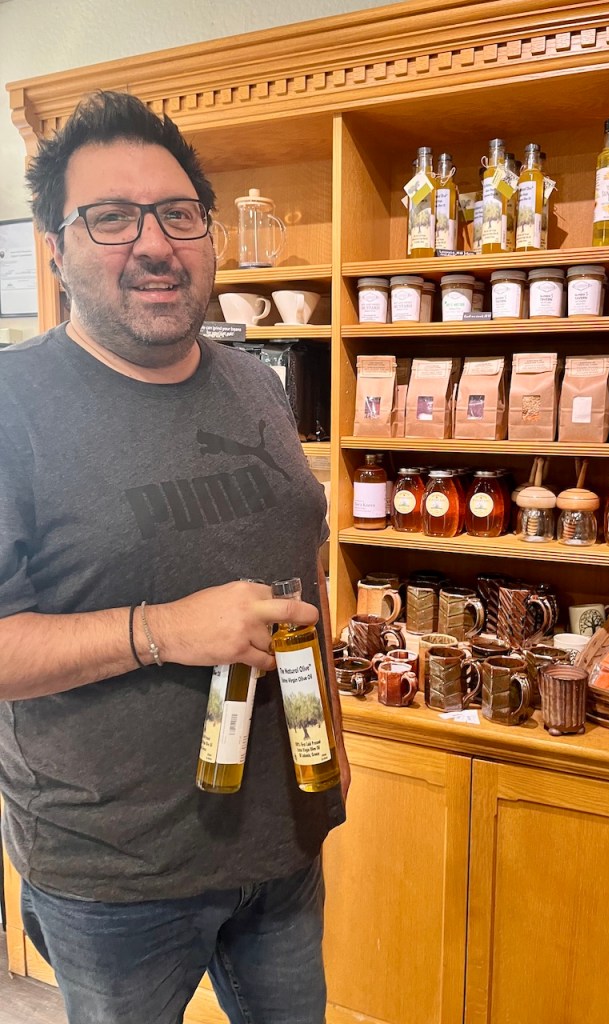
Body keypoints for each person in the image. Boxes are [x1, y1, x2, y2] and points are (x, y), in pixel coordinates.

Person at [0, 89, 349, 1024]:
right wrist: (163, 631)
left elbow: (296, 557)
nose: (154, 243)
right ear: (57, 248)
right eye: (110, 217)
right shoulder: (11, 407)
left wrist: (331, 742)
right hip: (117, 875)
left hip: (285, 837)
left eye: (178, 213)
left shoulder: (253, 377)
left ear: (210, 234)